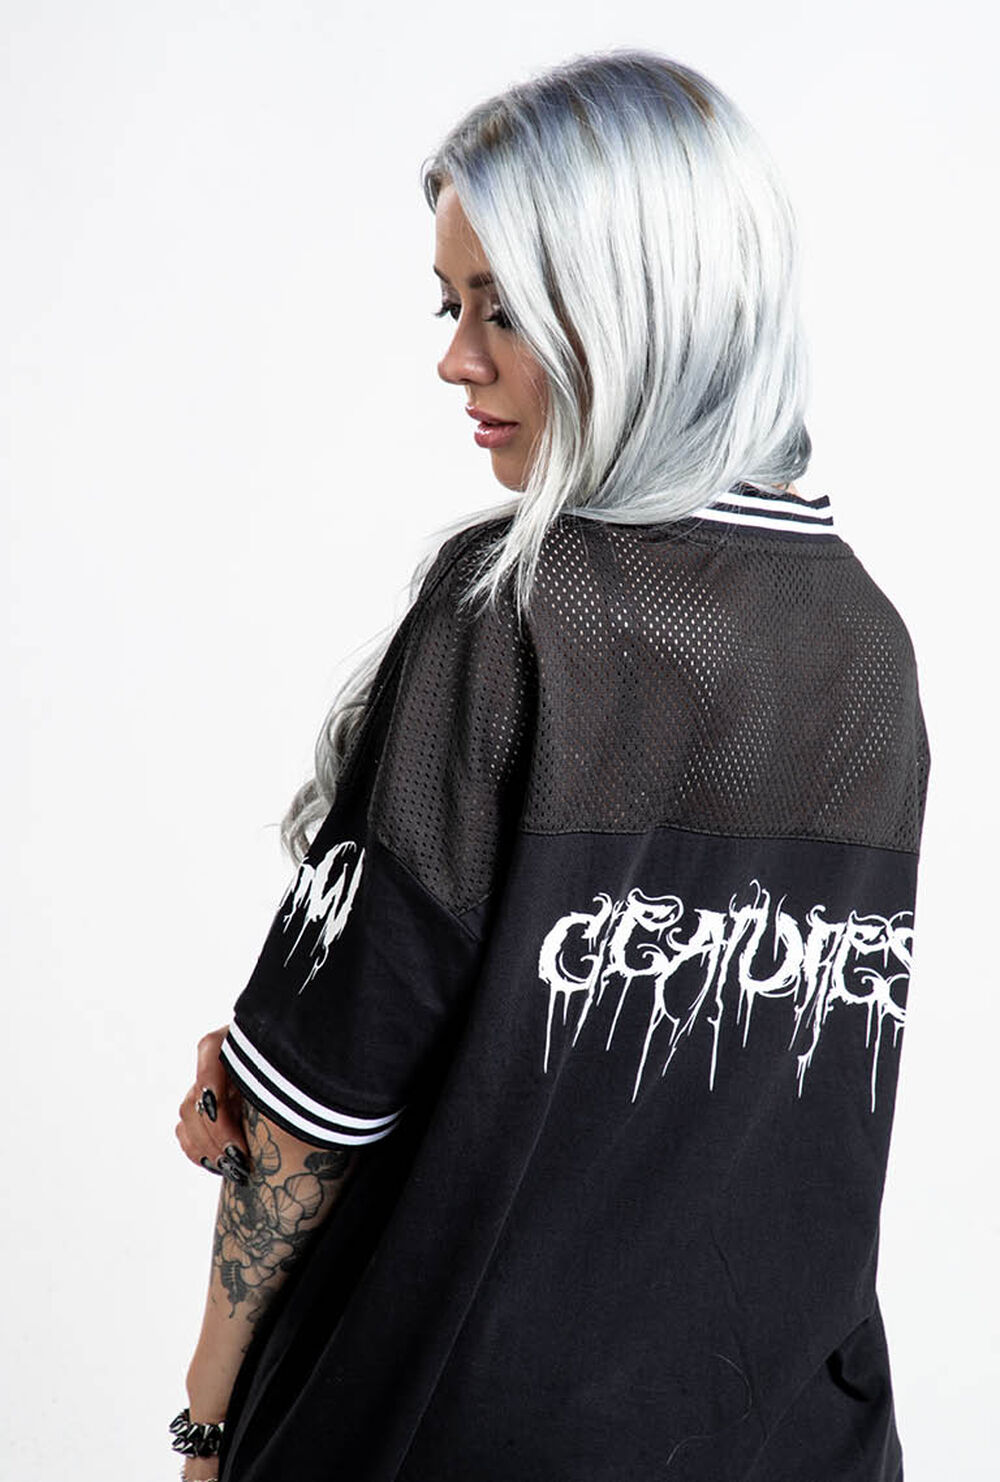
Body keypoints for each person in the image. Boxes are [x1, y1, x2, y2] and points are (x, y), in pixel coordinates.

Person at [171, 47, 930, 1482]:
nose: (455, 358)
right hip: (799, 1440)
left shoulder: (520, 607)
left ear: (643, 305)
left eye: (503, 308)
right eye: (451, 304)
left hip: (457, 1434)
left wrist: (206, 1416)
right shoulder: (866, 642)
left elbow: (315, 1110)